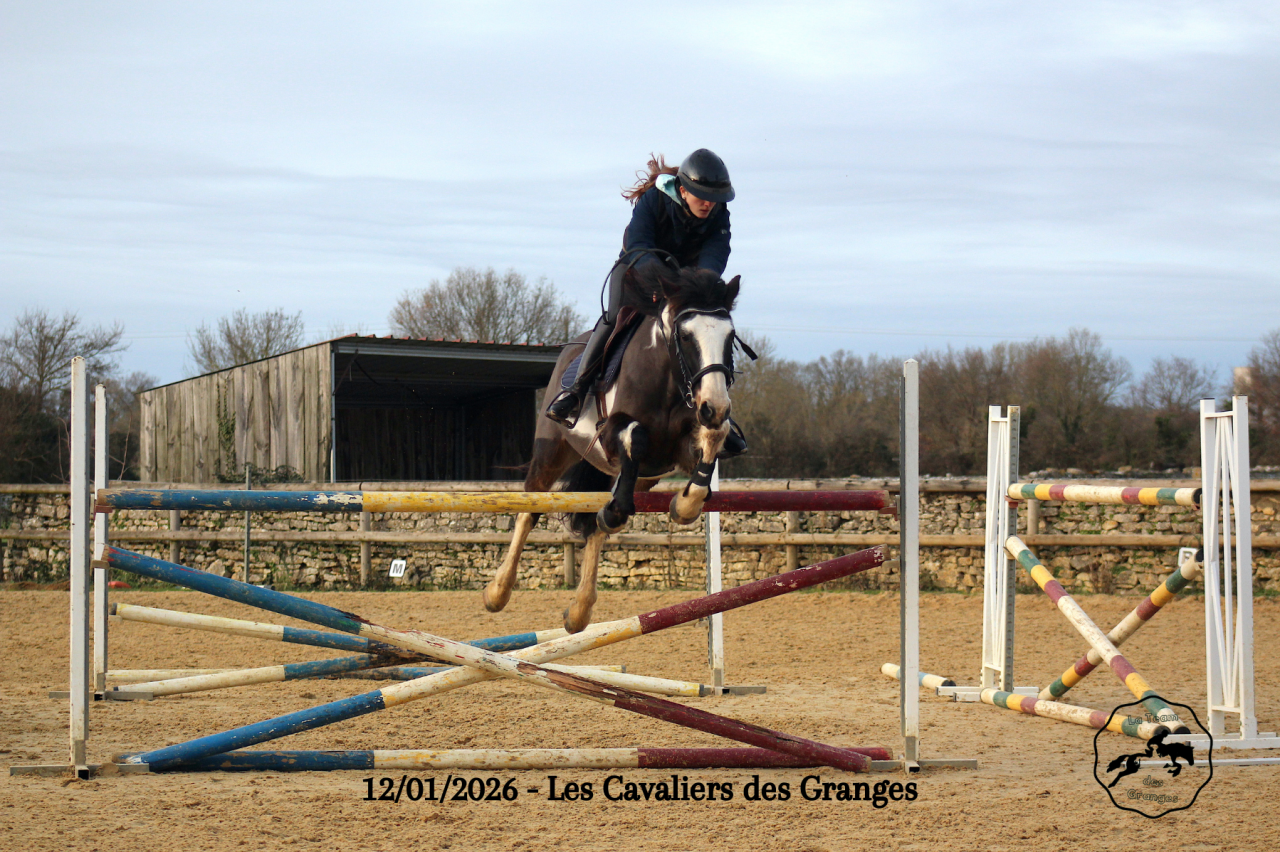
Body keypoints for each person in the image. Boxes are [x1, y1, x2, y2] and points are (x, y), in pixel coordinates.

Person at [545, 148, 748, 458]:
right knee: (614, 320)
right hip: (639, 273)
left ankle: (718, 415)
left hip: (684, 286)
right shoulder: (654, 200)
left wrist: (698, 286)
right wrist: (662, 281)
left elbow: (715, 255)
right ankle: (575, 393)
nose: (709, 203)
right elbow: (639, 245)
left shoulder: (719, 213)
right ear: (683, 189)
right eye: (702, 196)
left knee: (707, 330)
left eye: (714, 198)